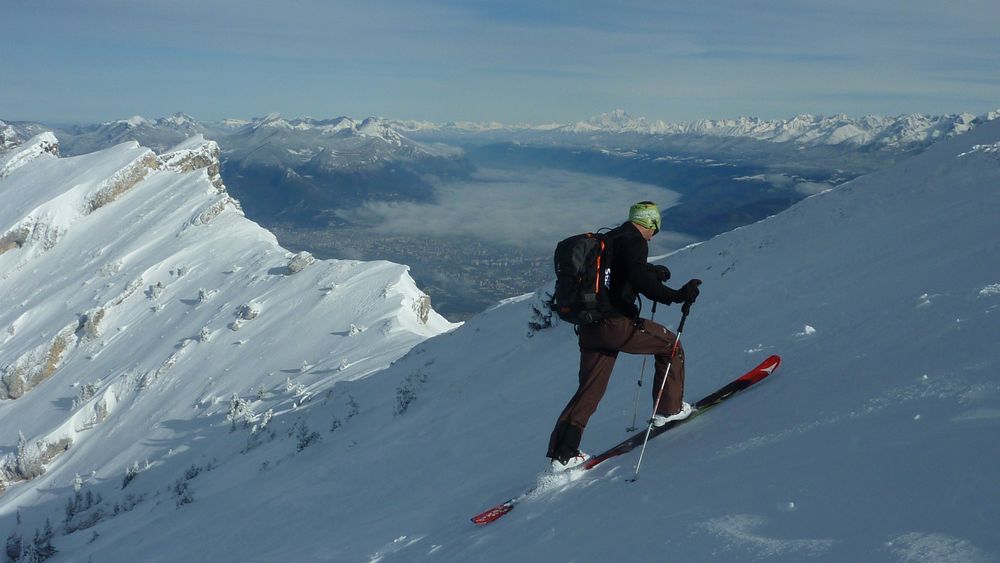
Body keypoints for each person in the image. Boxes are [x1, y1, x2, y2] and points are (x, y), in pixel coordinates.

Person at [547, 201, 702, 471]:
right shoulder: (635, 242)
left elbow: (620, 274)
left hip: (589, 327)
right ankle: (669, 410)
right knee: (671, 346)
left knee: (589, 391)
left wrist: (652, 272)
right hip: (615, 326)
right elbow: (637, 279)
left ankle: (563, 454)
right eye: (655, 226)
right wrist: (677, 296)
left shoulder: (611, 237)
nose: (655, 233)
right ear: (650, 223)